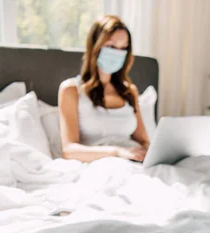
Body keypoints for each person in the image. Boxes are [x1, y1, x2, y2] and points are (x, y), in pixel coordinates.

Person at [58, 15, 150, 163]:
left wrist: (147, 153)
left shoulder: (129, 91)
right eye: (111, 46)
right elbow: (69, 150)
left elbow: (145, 141)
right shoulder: (71, 90)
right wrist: (116, 152)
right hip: (102, 165)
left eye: (123, 48)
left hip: (134, 163)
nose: (118, 53)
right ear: (95, 46)